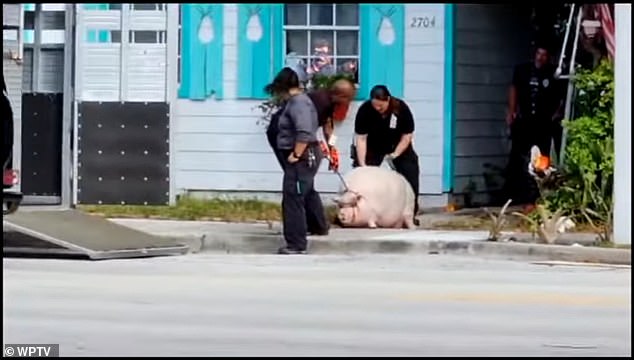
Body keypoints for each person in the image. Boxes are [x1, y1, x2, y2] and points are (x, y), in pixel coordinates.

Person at [265, 69, 356, 236]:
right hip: (284, 137)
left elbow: (328, 125)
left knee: (304, 184)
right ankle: (310, 227)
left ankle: (317, 226)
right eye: (349, 99)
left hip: (302, 144)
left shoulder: (328, 102)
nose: (349, 103)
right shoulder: (317, 101)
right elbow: (305, 128)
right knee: (299, 185)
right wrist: (299, 152)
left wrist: (332, 148)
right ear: (340, 96)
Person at [270, 69, 326, 254]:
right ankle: (318, 226)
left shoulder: (298, 104)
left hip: (302, 156)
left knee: (293, 197)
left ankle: (296, 243)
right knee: (306, 192)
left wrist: (296, 154)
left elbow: (304, 132)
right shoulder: (301, 101)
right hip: (306, 155)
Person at [503, 44, 564, 210]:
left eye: (544, 55)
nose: (540, 57)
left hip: (543, 123)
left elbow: (561, 97)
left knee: (541, 160)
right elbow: (513, 88)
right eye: (538, 53)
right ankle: (517, 196)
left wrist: (555, 115)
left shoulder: (553, 73)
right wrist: (512, 111)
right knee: (521, 158)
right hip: (524, 121)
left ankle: (537, 197)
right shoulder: (522, 70)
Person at [353, 85, 421, 226]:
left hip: (398, 145)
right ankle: (360, 213)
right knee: (363, 176)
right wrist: (363, 164)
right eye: (375, 105)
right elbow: (361, 138)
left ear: (388, 100)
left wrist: (395, 154)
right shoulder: (365, 110)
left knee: (410, 172)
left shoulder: (401, 109)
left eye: (380, 106)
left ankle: (410, 214)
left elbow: (407, 135)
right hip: (373, 145)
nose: (377, 108)